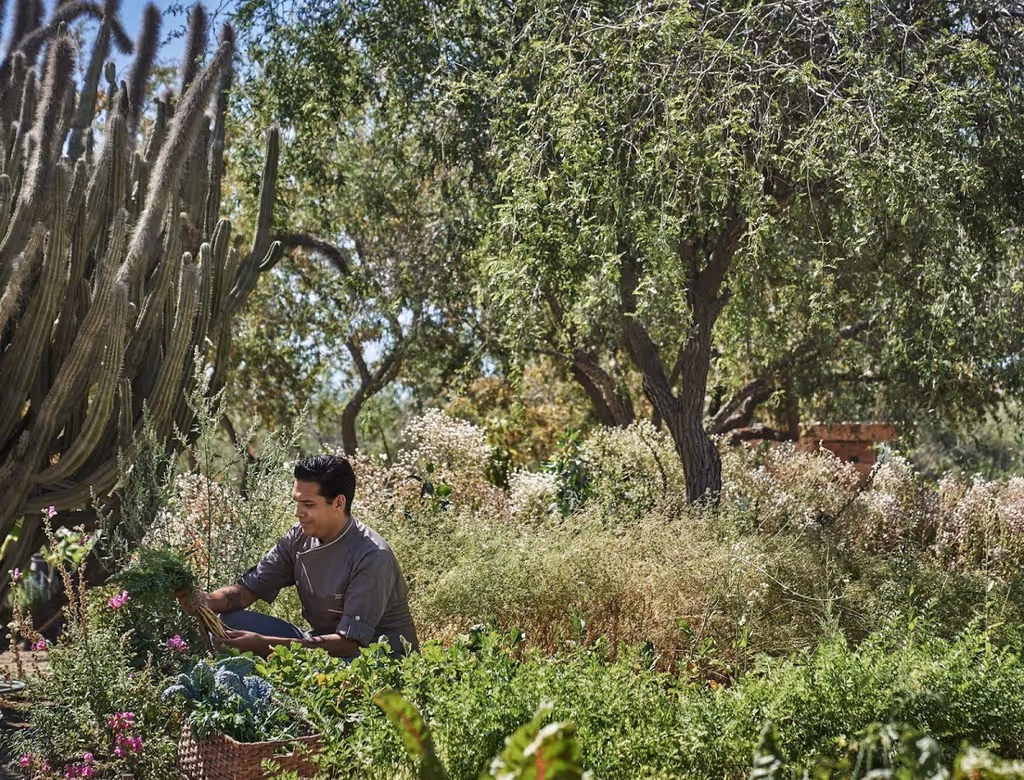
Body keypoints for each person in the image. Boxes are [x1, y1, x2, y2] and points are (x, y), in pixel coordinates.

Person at [178, 454, 419, 659]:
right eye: (297, 502)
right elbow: (248, 590)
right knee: (228, 621)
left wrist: (264, 645)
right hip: (319, 645)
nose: (298, 512)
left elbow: (349, 644)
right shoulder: (299, 537)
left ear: (338, 503)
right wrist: (206, 601)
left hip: (373, 661)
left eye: (308, 504)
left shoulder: (371, 555)